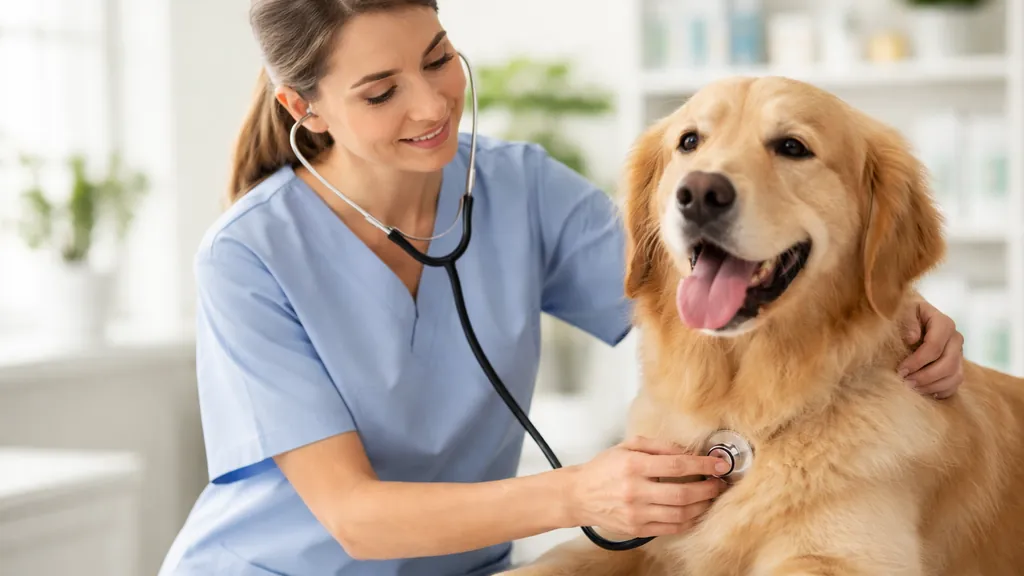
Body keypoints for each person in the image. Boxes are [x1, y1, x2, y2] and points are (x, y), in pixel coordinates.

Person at [157, 1, 967, 574]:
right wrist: (582, 492)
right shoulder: (248, 257)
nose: (432, 103)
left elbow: (704, 284)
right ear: (306, 109)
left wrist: (900, 308)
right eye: (380, 92)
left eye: (437, 58)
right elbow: (354, 519)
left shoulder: (519, 188)